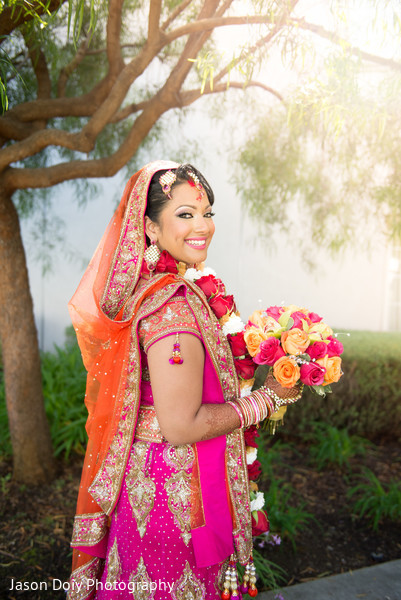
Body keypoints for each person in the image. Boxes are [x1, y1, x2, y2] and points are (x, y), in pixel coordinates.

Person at [67, 161, 300, 600]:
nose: (203, 226)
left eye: (207, 213)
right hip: (173, 503)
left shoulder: (161, 290)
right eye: (185, 214)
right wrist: (268, 398)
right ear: (151, 228)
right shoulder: (173, 307)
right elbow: (180, 426)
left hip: (152, 488)